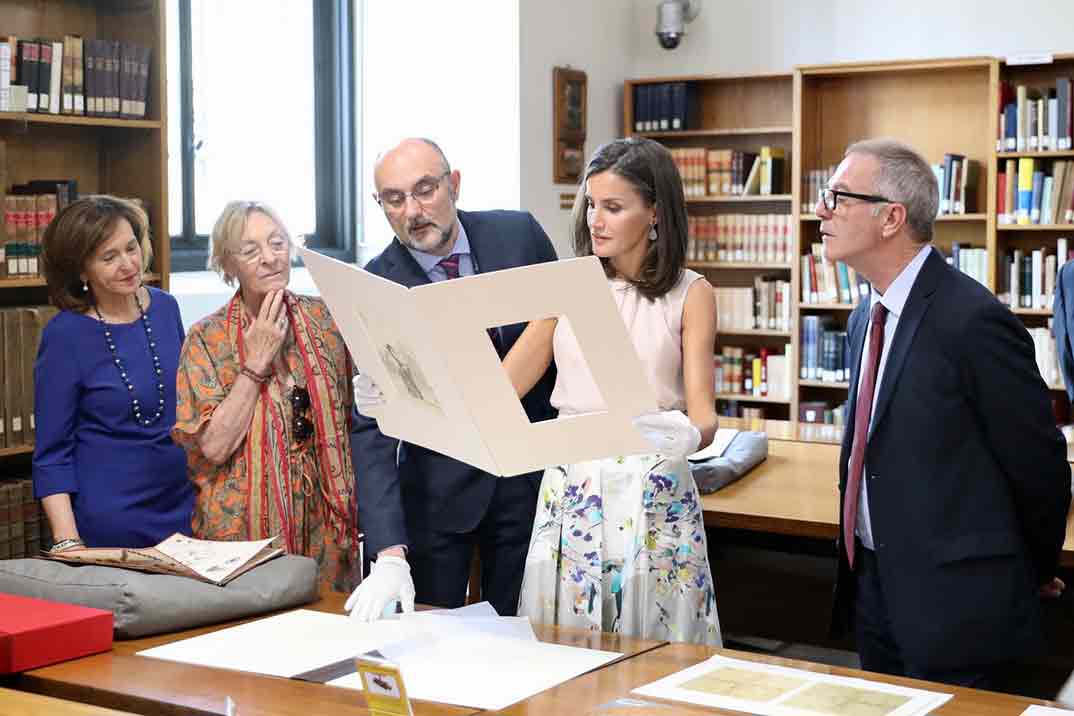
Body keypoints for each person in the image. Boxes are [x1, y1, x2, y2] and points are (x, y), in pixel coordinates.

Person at [824, 138, 1071, 689]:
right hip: (874, 585)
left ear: (891, 217)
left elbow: (1039, 464)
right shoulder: (865, 316)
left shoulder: (973, 321)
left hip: (959, 603)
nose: (822, 209)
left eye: (839, 196)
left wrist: (1026, 570)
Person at [506, 136, 722, 645]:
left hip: (652, 485)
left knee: (655, 649)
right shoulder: (566, 287)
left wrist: (688, 436)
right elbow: (501, 386)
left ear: (654, 214)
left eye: (613, 207)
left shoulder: (692, 293)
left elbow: (704, 415)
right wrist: (409, 391)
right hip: (573, 483)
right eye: (591, 205)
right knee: (564, 648)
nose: (594, 221)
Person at [345, 137, 558, 621]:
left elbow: (564, 338)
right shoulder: (374, 287)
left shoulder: (518, 236)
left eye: (425, 190)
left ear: (454, 184)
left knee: (528, 645)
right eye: (394, 199)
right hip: (438, 498)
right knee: (432, 650)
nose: (414, 210)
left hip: (529, 483)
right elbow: (370, 430)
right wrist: (388, 551)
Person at [172, 201, 358, 592]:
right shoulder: (207, 339)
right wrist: (255, 364)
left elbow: (364, 411)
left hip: (322, 519)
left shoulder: (327, 321)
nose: (270, 258)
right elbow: (215, 447)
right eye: (250, 250)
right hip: (243, 530)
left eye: (277, 243)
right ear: (227, 265)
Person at [34, 195, 194, 550]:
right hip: (111, 522)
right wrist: (68, 543)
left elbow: (184, 407)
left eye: (131, 247)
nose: (129, 264)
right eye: (109, 257)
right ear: (81, 270)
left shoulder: (166, 308)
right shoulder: (65, 335)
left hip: (184, 509)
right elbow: (52, 453)